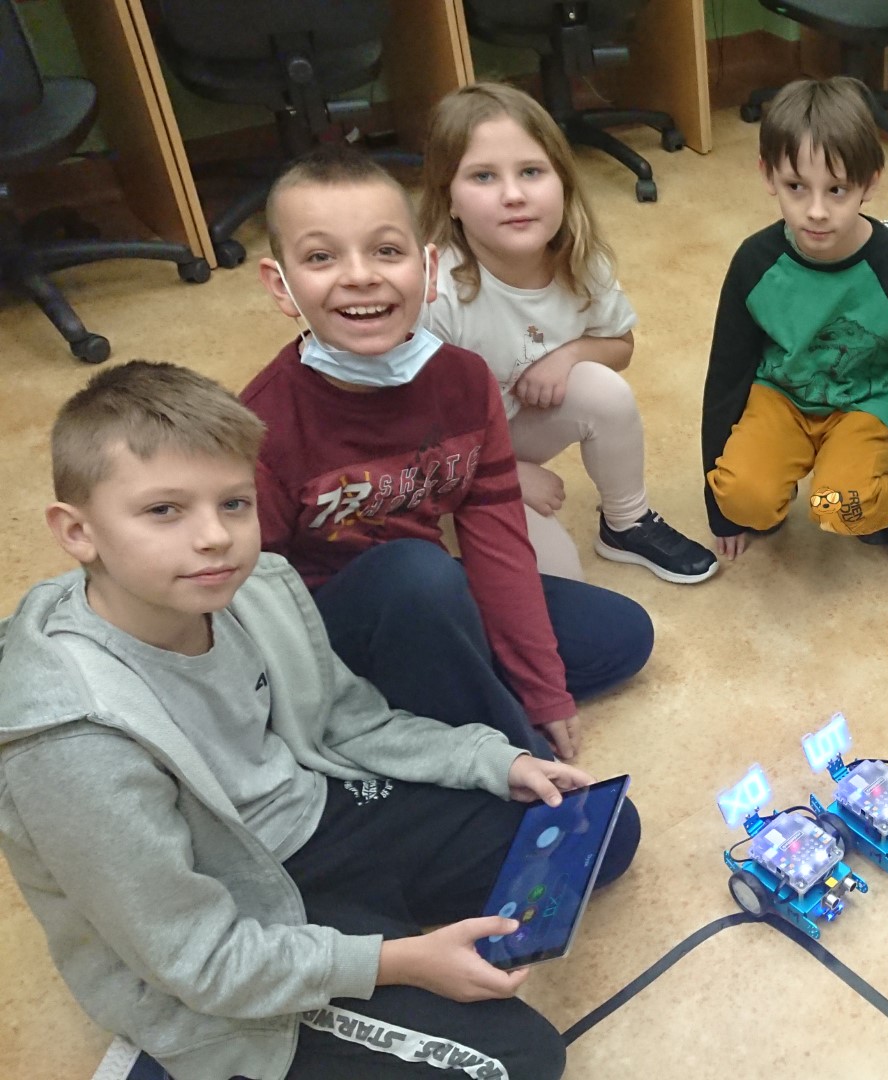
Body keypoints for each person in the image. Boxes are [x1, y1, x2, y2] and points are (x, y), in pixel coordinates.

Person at [0, 361, 638, 1080]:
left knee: (595, 832)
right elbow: (196, 956)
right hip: (226, 913)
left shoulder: (255, 587)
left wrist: (495, 762)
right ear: (77, 532)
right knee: (514, 1062)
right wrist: (396, 962)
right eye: (164, 511)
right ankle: (177, 1059)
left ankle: (359, 931)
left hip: (312, 820)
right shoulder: (72, 735)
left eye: (233, 504)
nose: (213, 537)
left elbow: (351, 723)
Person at [245, 145, 651, 761]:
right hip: (331, 632)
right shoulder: (260, 427)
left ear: (428, 268)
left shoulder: (464, 380)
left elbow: (497, 542)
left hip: (432, 600)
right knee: (417, 573)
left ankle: (428, 700)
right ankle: (472, 743)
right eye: (322, 257)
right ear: (282, 285)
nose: (360, 276)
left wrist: (544, 691)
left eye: (387, 251)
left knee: (621, 636)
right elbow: (254, 598)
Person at [420, 82, 715, 585]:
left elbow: (621, 347)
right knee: (562, 587)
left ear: (563, 182)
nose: (514, 195)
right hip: (442, 461)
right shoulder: (437, 298)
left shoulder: (580, 261)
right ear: (449, 199)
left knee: (604, 390)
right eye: (483, 176)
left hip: (505, 429)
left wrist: (570, 355)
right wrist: (509, 475)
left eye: (531, 171)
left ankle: (627, 522)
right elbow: (409, 432)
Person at [702, 75, 888, 571]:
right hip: (781, 397)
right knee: (745, 498)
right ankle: (781, 481)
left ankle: (877, 483)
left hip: (863, 405)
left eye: (837, 190)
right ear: (768, 175)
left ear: (870, 183)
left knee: (839, 507)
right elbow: (725, 379)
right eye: (796, 187)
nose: (816, 211)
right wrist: (721, 510)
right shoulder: (754, 262)